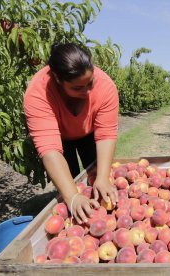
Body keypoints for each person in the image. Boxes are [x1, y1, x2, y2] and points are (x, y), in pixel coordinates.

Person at [24, 42, 119, 224]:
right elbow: (49, 149)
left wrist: (102, 177)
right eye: (77, 88)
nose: (87, 91)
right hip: (60, 139)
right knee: (71, 188)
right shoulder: (38, 92)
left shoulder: (105, 86)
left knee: (97, 180)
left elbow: (106, 134)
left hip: (90, 134)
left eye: (90, 83)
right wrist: (72, 197)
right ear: (58, 80)